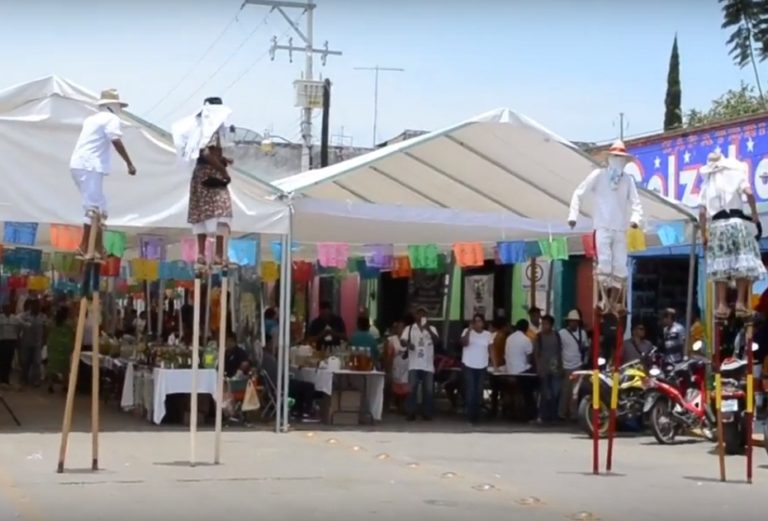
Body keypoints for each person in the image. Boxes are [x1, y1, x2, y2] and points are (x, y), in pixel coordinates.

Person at [568, 140, 643, 315]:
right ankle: (602, 300)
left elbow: (636, 203)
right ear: (609, 158)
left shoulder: (628, 180)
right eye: (615, 157)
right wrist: (573, 215)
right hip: (602, 225)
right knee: (605, 263)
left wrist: (635, 219)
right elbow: (579, 193)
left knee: (620, 266)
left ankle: (614, 302)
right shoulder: (598, 175)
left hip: (620, 227)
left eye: (621, 158)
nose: (618, 161)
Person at [69, 89, 136, 259]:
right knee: (93, 208)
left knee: (98, 207)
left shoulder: (91, 119)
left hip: (80, 165)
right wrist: (129, 162)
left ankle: (98, 247)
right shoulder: (111, 118)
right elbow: (115, 139)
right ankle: (85, 247)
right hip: (90, 165)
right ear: (113, 105)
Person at [698, 151, 766, 317]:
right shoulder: (736, 173)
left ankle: (721, 305)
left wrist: (703, 234)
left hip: (717, 226)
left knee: (720, 267)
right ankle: (740, 303)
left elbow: (701, 212)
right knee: (742, 263)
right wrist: (755, 214)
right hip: (736, 223)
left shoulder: (707, 183)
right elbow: (749, 193)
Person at [173, 97, 234, 266]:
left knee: (201, 213)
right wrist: (223, 171)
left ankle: (201, 253)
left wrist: (223, 159)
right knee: (223, 212)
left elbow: (206, 152)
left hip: (199, 174)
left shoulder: (200, 127)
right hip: (211, 174)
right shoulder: (211, 127)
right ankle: (218, 254)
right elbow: (206, 153)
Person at [400, 307, 439, 421]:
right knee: (412, 389)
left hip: (428, 365)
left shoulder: (432, 328)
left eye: (424, 314)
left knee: (428, 390)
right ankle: (411, 412)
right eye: (419, 314)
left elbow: (437, 341)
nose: (421, 316)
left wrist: (428, 329)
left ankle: (427, 413)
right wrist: (408, 344)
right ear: (415, 316)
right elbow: (402, 341)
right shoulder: (410, 328)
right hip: (414, 364)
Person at [260, 344, 317, 420]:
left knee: (301, 385)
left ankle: (297, 410)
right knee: (309, 386)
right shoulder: (269, 359)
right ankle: (306, 412)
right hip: (281, 385)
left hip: (276, 385)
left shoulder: (264, 359)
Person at [460, 314, 492, 424]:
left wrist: (495, 364)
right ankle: (470, 416)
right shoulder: (466, 331)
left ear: (483, 323)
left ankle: (477, 415)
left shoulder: (487, 334)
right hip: (469, 365)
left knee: (479, 391)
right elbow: (464, 343)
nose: (478, 323)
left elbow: (490, 349)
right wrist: (469, 331)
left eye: (480, 321)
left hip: (482, 365)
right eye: (475, 321)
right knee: (471, 390)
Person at [504, 319, 537, 421]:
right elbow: (530, 357)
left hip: (509, 371)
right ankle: (531, 412)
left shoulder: (509, 338)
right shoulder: (526, 339)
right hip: (522, 373)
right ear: (526, 328)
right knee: (531, 388)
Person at [559, 310, 588, 420]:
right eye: (571, 321)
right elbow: (559, 349)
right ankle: (561, 413)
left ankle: (573, 414)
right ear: (568, 322)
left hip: (578, 366)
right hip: (566, 366)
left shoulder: (582, 333)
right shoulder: (562, 333)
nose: (573, 323)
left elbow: (586, 347)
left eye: (575, 321)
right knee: (565, 392)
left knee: (575, 393)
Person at [534, 315, 563, 423]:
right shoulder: (539, 337)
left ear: (551, 325)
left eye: (546, 324)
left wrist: (560, 366)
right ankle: (543, 415)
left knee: (555, 392)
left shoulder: (556, 335)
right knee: (546, 393)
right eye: (543, 324)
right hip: (544, 369)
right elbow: (536, 353)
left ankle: (554, 415)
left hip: (555, 369)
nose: (543, 326)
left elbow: (560, 351)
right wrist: (538, 367)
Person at [18, 299, 48, 387]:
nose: (37, 307)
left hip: (38, 343)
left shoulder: (43, 316)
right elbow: (18, 322)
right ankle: (24, 379)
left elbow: (45, 329)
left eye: (38, 306)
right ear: (31, 306)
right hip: (26, 342)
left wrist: (44, 340)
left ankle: (35, 380)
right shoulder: (24, 316)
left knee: (37, 362)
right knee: (25, 362)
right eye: (35, 305)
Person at [46, 306, 74, 393]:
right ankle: (65, 386)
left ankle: (50, 385)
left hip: (53, 347)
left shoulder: (52, 323)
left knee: (52, 367)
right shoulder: (69, 324)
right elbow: (73, 335)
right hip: (64, 348)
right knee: (65, 367)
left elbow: (47, 331)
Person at [0, 305, 20, 387]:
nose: (7, 310)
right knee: (2, 360)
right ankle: (2, 379)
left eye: (8, 308)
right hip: (2, 341)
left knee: (8, 361)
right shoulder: (0, 318)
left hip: (12, 341)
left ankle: (6, 379)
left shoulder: (15, 318)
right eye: (5, 308)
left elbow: (20, 327)